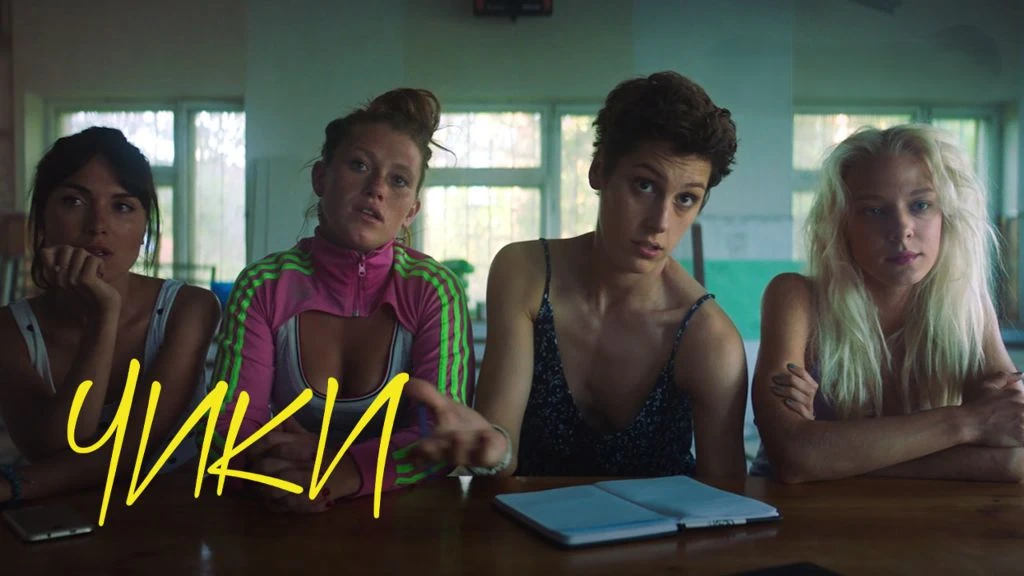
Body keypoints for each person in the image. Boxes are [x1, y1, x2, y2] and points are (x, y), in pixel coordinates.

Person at [406, 71, 748, 480]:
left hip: (658, 523)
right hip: (526, 517)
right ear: (599, 170)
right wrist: (490, 449)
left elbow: (726, 498)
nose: (660, 221)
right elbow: (502, 454)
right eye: (644, 185)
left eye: (686, 199)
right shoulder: (527, 273)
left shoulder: (709, 339)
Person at [207, 88, 474, 513]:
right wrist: (275, 468)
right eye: (359, 165)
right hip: (281, 511)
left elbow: (442, 436)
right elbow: (225, 428)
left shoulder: (433, 289)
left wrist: (340, 471)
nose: (376, 189)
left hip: (406, 523)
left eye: (398, 180)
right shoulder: (263, 285)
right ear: (320, 178)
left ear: (411, 210)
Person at [751, 124, 1024, 483]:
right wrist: (969, 422)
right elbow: (792, 455)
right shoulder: (796, 297)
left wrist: (834, 458)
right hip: (796, 514)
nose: (902, 229)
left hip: (918, 514)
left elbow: (1013, 457)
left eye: (921, 205)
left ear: (946, 216)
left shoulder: (965, 305)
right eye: (874, 210)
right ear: (841, 223)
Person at [0, 127, 221, 504]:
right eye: (73, 201)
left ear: (144, 227)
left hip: (177, 511)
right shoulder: (10, 330)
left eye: (122, 206)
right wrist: (103, 318)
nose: (97, 225)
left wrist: (15, 485)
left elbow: (135, 449)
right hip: (60, 517)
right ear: (42, 220)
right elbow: (55, 448)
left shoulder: (190, 308)